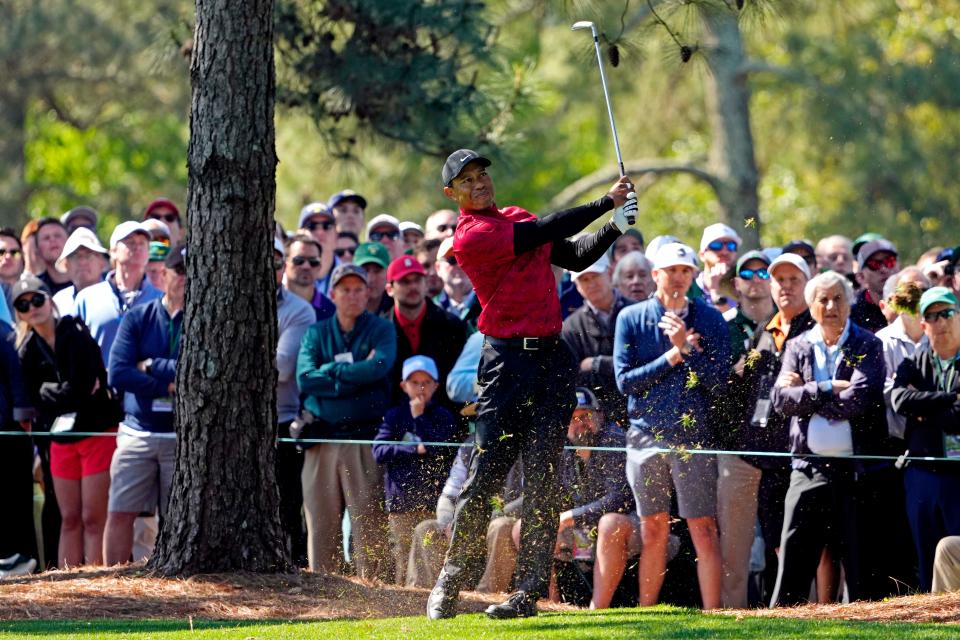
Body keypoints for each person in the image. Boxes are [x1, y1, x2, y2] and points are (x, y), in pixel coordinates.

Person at [427, 148, 636, 621]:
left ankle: (526, 593)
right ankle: (452, 578)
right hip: (505, 365)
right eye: (467, 180)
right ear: (451, 194)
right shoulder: (472, 235)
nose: (479, 184)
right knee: (486, 475)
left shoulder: (517, 218)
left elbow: (575, 251)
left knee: (544, 478)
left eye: (482, 175)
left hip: (550, 360)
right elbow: (545, 231)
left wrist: (617, 224)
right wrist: (606, 202)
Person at [615, 241, 730, 611]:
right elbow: (625, 382)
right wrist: (672, 355)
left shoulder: (710, 319)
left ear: (694, 275)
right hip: (644, 436)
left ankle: (714, 615)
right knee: (652, 529)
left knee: (703, 528)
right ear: (655, 275)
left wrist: (688, 349)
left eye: (685, 271)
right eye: (671, 271)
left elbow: (718, 385)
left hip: (693, 438)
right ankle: (648, 614)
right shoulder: (631, 318)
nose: (678, 278)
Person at [770, 271, 887, 606]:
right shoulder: (797, 345)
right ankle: (781, 627)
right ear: (811, 305)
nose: (831, 305)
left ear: (849, 302)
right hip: (807, 469)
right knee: (793, 564)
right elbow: (781, 401)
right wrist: (824, 387)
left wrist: (805, 396)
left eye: (838, 298)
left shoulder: (868, 343)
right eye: (823, 299)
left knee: (862, 569)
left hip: (856, 473)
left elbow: (861, 398)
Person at [719, 252, 815, 609]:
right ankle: (729, 623)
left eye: (794, 280)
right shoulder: (766, 329)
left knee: (791, 547)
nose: (786, 287)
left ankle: (814, 618)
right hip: (749, 451)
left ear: (808, 284)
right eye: (780, 280)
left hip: (792, 456)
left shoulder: (816, 329)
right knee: (736, 550)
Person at [296, 263, 395, 580]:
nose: (352, 296)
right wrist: (353, 378)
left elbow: (379, 367)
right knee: (321, 523)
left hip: (363, 439)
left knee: (369, 525)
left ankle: (374, 590)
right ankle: (324, 590)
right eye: (345, 290)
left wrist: (332, 372)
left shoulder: (381, 329)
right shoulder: (316, 332)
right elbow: (305, 378)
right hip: (321, 438)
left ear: (368, 294)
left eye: (358, 289)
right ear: (333, 294)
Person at [13, 275, 119, 568]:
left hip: (96, 432)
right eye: (23, 305)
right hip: (61, 440)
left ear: (49, 300)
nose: (32, 307)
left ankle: (97, 583)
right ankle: (67, 581)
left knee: (93, 518)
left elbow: (82, 387)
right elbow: (35, 398)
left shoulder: (75, 334)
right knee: (69, 518)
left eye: (37, 299)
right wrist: (61, 393)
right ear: (19, 314)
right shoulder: (27, 350)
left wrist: (51, 393)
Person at [511, 388, 634, 605]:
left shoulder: (615, 440)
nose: (580, 423)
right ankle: (549, 604)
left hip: (626, 525)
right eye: (573, 418)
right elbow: (545, 493)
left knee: (609, 523)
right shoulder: (563, 448)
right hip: (582, 529)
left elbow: (619, 499)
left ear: (599, 416)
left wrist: (570, 517)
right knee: (525, 527)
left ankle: (598, 610)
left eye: (585, 416)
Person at [103, 247, 185, 565]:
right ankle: (112, 581)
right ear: (163, 275)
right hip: (138, 432)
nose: (185, 279)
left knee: (176, 518)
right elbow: (119, 372)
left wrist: (150, 365)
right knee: (121, 510)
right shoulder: (139, 316)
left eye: (192, 272)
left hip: (181, 436)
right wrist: (166, 385)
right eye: (178, 271)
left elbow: (195, 371)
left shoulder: (203, 322)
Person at [891, 286, 960, 592]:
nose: (940, 321)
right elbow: (899, 400)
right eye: (931, 316)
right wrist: (948, 399)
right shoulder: (913, 362)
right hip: (921, 473)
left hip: (958, 477)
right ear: (923, 325)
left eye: (946, 313)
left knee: (955, 553)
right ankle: (931, 624)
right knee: (925, 554)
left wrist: (925, 412)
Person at [373, 355, 460, 585]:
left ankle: (430, 598)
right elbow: (379, 450)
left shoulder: (443, 416)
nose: (420, 388)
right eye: (414, 382)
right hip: (402, 502)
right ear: (403, 385)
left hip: (433, 501)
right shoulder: (394, 416)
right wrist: (413, 448)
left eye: (426, 382)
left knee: (430, 556)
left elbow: (441, 449)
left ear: (436, 386)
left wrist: (420, 418)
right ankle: (403, 603)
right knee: (402, 557)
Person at [273, 236, 315, 566]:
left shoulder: (299, 311)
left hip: (282, 420)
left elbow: (281, 368)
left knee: (288, 504)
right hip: (232, 424)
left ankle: (293, 566)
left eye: (275, 261)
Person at [385, 255, 467, 420]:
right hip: (394, 426)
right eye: (404, 281)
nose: (413, 286)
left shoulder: (452, 326)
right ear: (389, 289)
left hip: (445, 425)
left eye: (417, 280)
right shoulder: (380, 329)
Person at [74, 221, 162, 367]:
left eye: (143, 243)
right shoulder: (87, 299)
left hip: (146, 388)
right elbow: (74, 351)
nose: (138, 247)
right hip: (101, 388)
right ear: (113, 251)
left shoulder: (161, 300)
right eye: (130, 242)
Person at [562, 255, 631, 427]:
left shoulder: (637, 313)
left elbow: (645, 364)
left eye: (595, 276)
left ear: (609, 272)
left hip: (640, 413)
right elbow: (572, 378)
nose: (591, 283)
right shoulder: (571, 327)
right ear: (576, 286)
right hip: (594, 424)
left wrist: (597, 364)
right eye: (584, 279)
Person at [0, 317, 39, 577]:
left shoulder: (3, 332)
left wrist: (22, 422)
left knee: (10, 503)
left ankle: (16, 560)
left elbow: (16, 381)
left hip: (7, 435)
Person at [877, 268, 931, 439]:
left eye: (923, 291)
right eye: (908, 291)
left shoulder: (944, 335)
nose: (915, 298)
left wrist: (903, 390)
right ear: (895, 300)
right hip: (894, 442)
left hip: (939, 438)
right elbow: (876, 390)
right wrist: (929, 394)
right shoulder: (881, 341)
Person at [52, 228, 109, 315]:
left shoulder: (115, 298)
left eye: (89, 255)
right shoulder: (59, 302)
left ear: (101, 262)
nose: (82, 262)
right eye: (75, 256)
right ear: (66, 264)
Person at [283, 233, 335, 321]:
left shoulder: (331, 311)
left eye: (313, 261)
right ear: (284, 264)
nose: (306, 266)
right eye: (299, 260)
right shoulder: (272, 304)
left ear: (319, 267)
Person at [852, 239, 899, 333]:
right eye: (874, 264)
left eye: (889, 261)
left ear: (899, 266)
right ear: (861, 277)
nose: (884, 269)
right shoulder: (853, 313)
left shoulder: (915, 300)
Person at [697, 223, 740, 312]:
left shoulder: (743, 288)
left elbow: (734, 325)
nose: (724, 251)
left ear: (736, 254)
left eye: (731, 246)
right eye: (716, 245)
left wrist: (715, 291)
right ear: (702, 255)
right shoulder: (690, 288)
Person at [297, 202, 339, 295]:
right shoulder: (288, 275)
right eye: (312, 226)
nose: (320, 232)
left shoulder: (350, 274)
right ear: (299, 235)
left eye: (327, 226)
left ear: (336, 236)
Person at [354, 242, 393, 318]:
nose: (370, 279)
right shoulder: (342, 307)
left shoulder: (398, 307)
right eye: (365, 270)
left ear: (388, 273)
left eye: (377, 271)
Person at [34, 218, 72, 295]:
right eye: (46, 238)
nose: (52, 240)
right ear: (37, 249)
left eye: (57, 236)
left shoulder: (87, 277)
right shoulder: (35, 289)